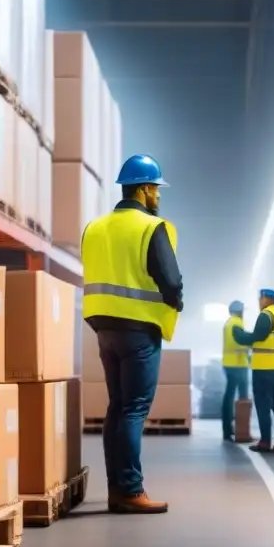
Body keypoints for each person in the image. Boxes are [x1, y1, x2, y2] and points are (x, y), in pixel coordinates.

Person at [81, 154, 183, 515]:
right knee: (135, 409)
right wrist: (177, 301)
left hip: (104, 328)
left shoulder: (94, 227)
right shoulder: (151, 227)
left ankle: (116, 488)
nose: (158, 195)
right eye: (155, 188)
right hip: (139, 329)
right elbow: (170, 281)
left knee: (118, 407)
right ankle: (131, 490)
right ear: (142, 189)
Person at [232, 289, 274, 453]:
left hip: (264, 368)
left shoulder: (266, 315)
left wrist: (239, 335)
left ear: (265, 299)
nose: (259, 301)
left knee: (263, 405)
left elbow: (256, 337)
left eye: (260, 298)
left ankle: (265, 442)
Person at [221, 300, 250, 441]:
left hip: (229, 364)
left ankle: (228, 430)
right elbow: (242, 340)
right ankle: (242, 431)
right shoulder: (237, 323)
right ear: (240, 311)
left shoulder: (228, 323)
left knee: (229, 397)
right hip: (238, 364)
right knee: (243, 398)